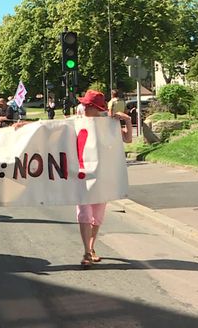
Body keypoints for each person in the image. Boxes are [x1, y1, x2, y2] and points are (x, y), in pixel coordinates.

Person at [76, 90, 132, 267]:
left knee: (97, 217)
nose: (84, 107)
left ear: (96, 108)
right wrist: (24, 125)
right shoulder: (77, 122)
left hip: (102, 178)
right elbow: (51, 130)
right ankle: (86, 252)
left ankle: (91, 248)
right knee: (85, 214)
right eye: (84, 104)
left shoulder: (109, 124)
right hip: (82, 177)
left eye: (87, 105)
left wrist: (128, 121)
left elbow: (128, 139)